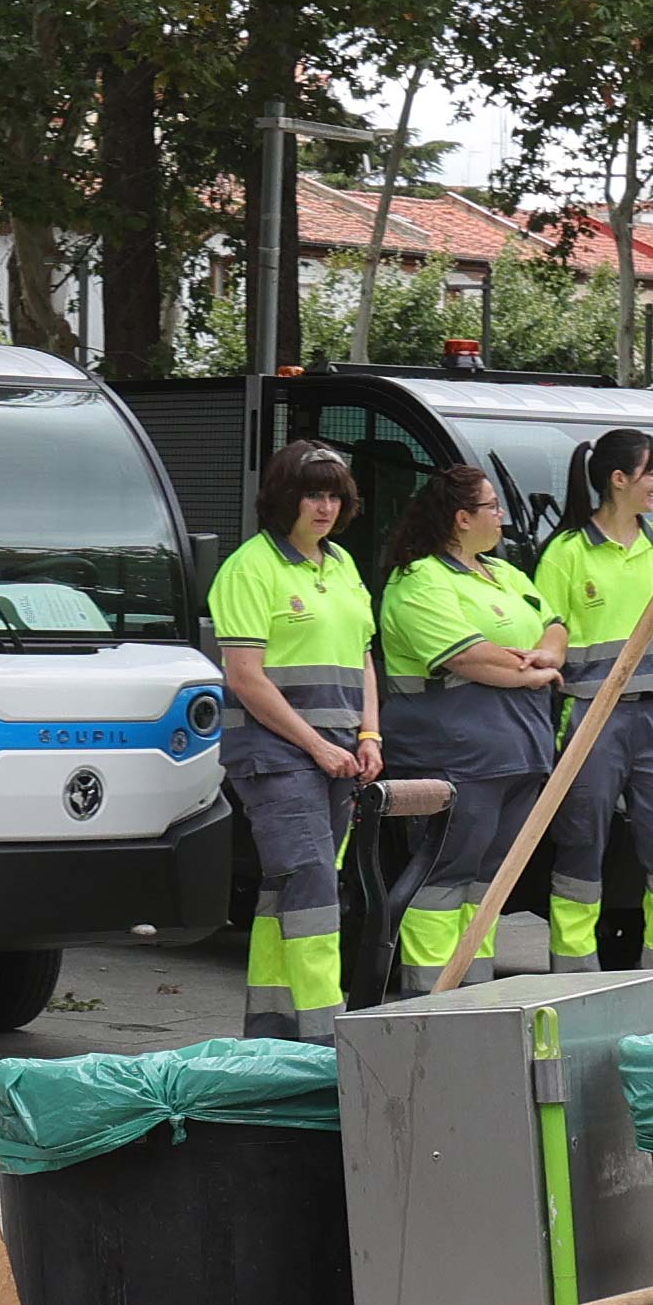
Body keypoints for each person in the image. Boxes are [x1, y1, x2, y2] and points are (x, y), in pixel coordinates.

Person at [202, 442, 422, 1042]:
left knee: (292, 883)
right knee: (312, 883)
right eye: (313, 494)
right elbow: (245, 677)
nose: (325, 507)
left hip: (341, 753)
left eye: (334, 496)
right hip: (276, 755)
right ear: (283, 499)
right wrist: (317, 746)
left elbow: (362, 658)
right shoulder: (251, 569)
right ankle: (329, 1034)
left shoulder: (343, 565)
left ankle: (273, 1030)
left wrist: (370, 733)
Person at [377, 461, 563, 987]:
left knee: (487, 882)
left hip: (519, 753)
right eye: (493, 507)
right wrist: (531, 674)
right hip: (456, 755)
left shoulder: (503, 572)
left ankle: (473, 999)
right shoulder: (419, 580)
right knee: (445, 876)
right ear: (462, 518)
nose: (502, 516)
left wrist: (544, 656)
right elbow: (469, 657)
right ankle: (431, 1001)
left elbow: (555, 625)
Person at [531, 428, 653, 971]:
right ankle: (572, 974)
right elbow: (549, 633)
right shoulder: (565, 554)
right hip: (588, 717)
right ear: (618, 479)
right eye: (652, 472)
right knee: (581, 844)